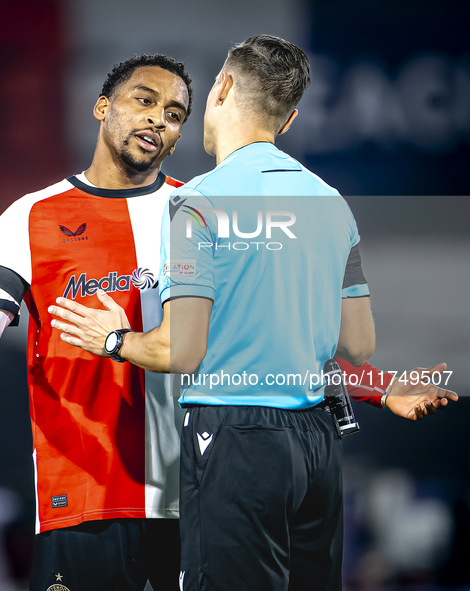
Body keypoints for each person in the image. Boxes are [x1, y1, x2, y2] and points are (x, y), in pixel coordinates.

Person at [48, 36, 458, 590]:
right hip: (316, 445)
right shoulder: (331, 203)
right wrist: (382, 388)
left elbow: (179, 350)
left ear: (222, 87)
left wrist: (115, 339)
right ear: (288, 121)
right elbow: (356, 345)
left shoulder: (196, 201)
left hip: (234, 441)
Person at [0, 54, 193, 591]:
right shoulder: (30, 215)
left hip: (194, 493)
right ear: (102, 108)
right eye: (144, 101)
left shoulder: (199, 212)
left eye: (174, 114)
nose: (157, 119)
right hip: (81, 490)